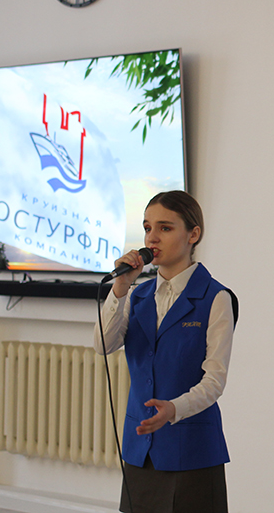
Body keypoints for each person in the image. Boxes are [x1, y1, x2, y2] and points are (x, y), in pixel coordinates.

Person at [94, 190, 235, 513]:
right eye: (147, 228)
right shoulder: (137, 295)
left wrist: (174, 409)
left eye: (165, 228)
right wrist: (120, 288)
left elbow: (214, 381)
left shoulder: (216, 298)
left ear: (193, 234)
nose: (152, 238)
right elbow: (103, 345)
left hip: (193, 451)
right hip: (141, 450)